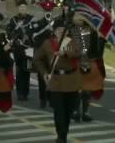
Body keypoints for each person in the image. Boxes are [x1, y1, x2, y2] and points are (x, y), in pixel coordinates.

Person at [33, 13, 82, 143]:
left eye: (62, 30)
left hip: (71, 80)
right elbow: (37, 59)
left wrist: (65, 53)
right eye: (58, 30)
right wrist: (44, 72)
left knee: (68, 111)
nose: (60, 32)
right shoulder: (47, 43)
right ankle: (61, 136)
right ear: (54, 32)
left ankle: (64, 133)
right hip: (55, 81)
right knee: (59, 111)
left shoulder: (72, 42)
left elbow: (78, 54)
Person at [71, 18, 106, 122]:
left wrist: (102, 40)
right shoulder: (75, 30)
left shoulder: (91, 31)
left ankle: (82, 112)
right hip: (80, 62)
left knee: (85, 90)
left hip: (87, 62)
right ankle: (78, 111)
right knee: (80, 89)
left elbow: (97, 52)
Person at [6, 0, 35, 101]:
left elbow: (35, 32)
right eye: (20, 7)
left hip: (28, 49)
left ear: (26, 8)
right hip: (18, 49)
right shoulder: (13, 20)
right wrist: (15, 39)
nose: (22, 9)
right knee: (19, 72)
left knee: (27, 71)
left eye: (24, 7)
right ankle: (20, 93)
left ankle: (25, 93)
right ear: (18, 9)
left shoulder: (31, 19)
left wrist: (30, 37)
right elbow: (9, 32)